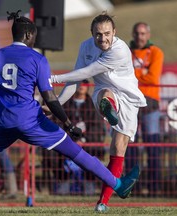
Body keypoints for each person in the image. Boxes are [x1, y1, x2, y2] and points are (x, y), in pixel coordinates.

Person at [0, 11, 140, 204]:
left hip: (0, 121)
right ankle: (118, 186)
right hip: (31, 121)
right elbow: (50, 98)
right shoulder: (37, 59)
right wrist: (68, 124)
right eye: (34, 36)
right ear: (28, 35)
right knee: (77, 153)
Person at [51, 12, 147, 212]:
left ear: (115, 33)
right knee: (105, 93)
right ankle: (108, 107)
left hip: (129, 98)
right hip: (105, 92)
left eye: (106, 33)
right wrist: (57, 105)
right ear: (91, 33)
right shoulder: (86, 47)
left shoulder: (120, 50)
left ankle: (103, 202)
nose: (102, 39)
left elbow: (87, 73)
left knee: (118, 149)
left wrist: (52, 79)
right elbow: (76, 79)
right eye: (98, 34)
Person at [125, 22, 164, 196]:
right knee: (130, 147)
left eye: (143, 33)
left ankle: (154, 187)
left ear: (148, 35)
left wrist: (132, 73)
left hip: (150, 103)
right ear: (133, 34)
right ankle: (133, 187)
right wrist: (143, 72)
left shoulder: (156, 52)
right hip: (129, 101)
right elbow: (120, 75)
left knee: (152, 146)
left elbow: (153, 78)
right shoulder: (125, 50)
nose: (140, 37)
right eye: (137, 33)